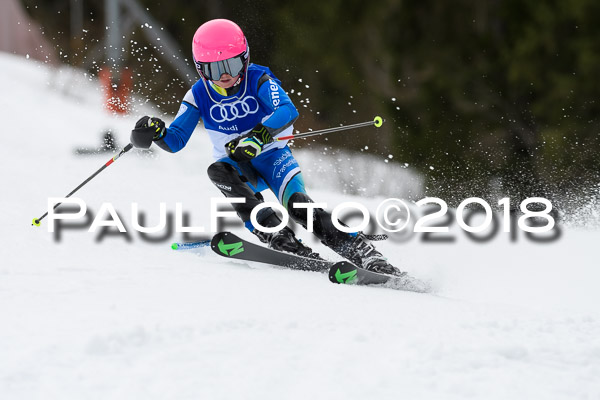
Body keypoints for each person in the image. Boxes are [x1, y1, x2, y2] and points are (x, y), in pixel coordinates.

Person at [130, 19, 402, 276]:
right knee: (218, 170)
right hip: (237, 165)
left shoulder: (258, 79)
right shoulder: (197, 95)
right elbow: (175, 141)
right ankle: (277, 235)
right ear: (201, 69)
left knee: (298, 206)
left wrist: (257, 137)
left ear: (245, 58)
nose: (225, 75)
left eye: (232, 65)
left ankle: (363, 252)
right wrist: (155, 132)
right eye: (214, 69)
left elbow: (287, 110)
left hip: (273, 157)